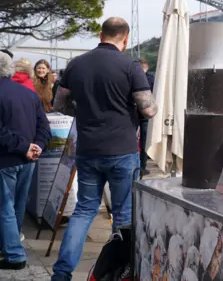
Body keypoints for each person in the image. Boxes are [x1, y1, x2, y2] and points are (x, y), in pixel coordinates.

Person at [51, 17, 158, 280]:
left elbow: (59, 104)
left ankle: (61, 274)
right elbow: (148, 109)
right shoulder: (131, 67)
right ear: (125, 38)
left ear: (100, 35)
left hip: (88, 149)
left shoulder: (76, 64)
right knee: (123, 214)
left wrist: (84, 111)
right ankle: (116, 273)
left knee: (85, 210)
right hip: (122, 149)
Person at [0, 51, 52, 270]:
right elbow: (44, 128)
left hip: (7, 159)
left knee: (5, 207)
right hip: (28, 159)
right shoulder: (28, 94)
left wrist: (26, 147)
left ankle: (14, 253)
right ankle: (10, 245)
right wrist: (36, 147)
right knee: (17, 205)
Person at [137, 58, 155, 175]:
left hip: (133, 114)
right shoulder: (151, 78)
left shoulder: (131, 76)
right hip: (145, 115)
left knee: (135, 141)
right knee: (144, 141)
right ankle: (142, 167)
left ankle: (138, 166)